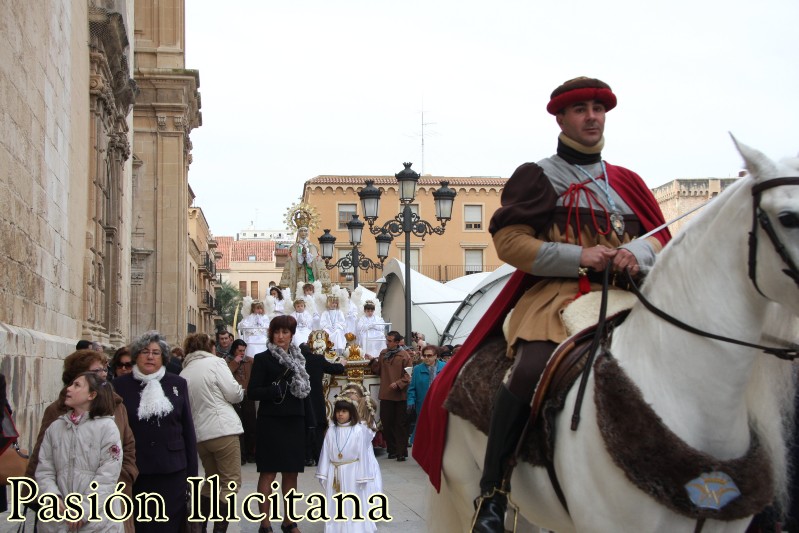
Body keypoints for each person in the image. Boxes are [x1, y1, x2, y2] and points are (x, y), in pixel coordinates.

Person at [468, 77, 671, 532]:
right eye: (581, 109)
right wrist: (580, 256)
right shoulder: (538, 176)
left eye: (598, 108)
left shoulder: (628, 181)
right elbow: (509, 241)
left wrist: (632, 254)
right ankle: (493, 492)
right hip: (559, 296)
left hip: (630, 294)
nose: (592, 117)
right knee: (529, 369)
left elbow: (659, 237)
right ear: (560, 119)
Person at [26, 349, 138, 533]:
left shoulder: (116, 409)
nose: (104, 374)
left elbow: (127, 448)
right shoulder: (56, 417)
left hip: (103, 506)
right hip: (61, 512)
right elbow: (42, 462)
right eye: (97, 371)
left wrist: (125, 477)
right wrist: (49, 498)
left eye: (105, 369)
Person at [114, 331, 198, 532]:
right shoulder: (119, 386)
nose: (150, 356)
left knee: (168, 525)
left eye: (155, 352)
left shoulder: (177, 383)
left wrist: (192, 475)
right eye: (145, 352)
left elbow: (187, 428)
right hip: (136, 470)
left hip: (172, 470)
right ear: (136, 355)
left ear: (164, 358)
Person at [247, 315, 313, 533]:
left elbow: (306, 394)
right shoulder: (262, 358)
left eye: (285, 332)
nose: (281, 336)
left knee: (291, 473)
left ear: (292, 335)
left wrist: (310, 422)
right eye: (277, 332)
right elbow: (253, 392)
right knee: (268, 473)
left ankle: (289, 521)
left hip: (294, 420)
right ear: (271, 334)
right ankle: (264, 523)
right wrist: (272, 391)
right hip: (271, 422)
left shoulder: (300, 359)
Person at [35, 372, 123, 532]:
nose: (69, 389)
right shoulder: (55, 428)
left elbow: (108, 475)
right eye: (70, 384)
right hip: (58, 520)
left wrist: (83, 509)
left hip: (97, 522)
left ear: (92, 394)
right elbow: (44, 469)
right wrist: (52, 497)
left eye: (77, 385)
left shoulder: (107, 428)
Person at [180, 333, 244, 533]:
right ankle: (219, 530)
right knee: (230, 483)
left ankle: (198, 527)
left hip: (200, 435)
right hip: (222, 429)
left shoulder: (185, 372)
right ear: (209, 347)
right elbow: (233, 393)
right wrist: (241, 391)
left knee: (212, 480)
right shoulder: (216, 363)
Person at [315, 397, 378, 533]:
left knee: (352, 501)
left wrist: (362, 476)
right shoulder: (331, 431)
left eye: (344, 411)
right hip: (335, 472)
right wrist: (324, 473)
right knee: (335, 502)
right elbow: (325, 453)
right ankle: (335, 528)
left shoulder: (358, 431)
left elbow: (363, 454)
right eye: (338, 411)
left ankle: (354, 528)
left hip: (352, 471)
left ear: (351, 413)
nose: (340, 414)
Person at [365, 331, 411, 461]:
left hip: (400, 395)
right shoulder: (383, 353)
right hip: (386, 394)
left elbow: (408, 375)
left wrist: (399, 384)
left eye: (390, 341)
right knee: (387, 423)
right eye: (387, 340)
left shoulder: (405, 356)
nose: (387, 343)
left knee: (400, 425)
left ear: (397, 342)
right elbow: (378, 369)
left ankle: (401, 452)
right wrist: (372, 361)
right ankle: (392, 450)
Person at [300, 340, 346, 467]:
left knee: (304, 427)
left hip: (301, 399)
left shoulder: (297, 361)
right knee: (318, 426)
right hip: (316, 398)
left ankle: (306, 457)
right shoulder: (318, 359)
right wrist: (342, 364)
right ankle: (318, 456)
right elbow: (333, 369)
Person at [407, 345, 445, 445]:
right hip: (423, 404)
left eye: (429, 355)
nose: (426, 358)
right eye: (424, 355)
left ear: (436, 356)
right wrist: (410, 401)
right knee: (423, 431)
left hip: (440, 405)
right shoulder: (417, 369)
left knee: (438, 431)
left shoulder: (445, 367)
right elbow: (412, 388)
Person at [227, 339, 257, 464]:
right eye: (240, 350)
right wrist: (235, 363)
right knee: (238, 427)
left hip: (248, 396)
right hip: (235, 398)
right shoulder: (227, 361)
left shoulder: (250, 361)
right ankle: (241, 456)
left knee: (250, 425)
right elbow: (225, 374)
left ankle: (251, 454)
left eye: (244, 350)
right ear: (234, 350)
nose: (242, 353)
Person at [279, 226, 330, 292]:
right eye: (301, 231)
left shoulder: (313, 247)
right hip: (298, 275)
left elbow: (316, 260)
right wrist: (300, 258)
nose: (303, 233)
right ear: (298, 233)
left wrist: (307, 257)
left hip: (310, 274)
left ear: (307, 232)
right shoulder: (293, 248)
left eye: (305, 231)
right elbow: (291, 262)